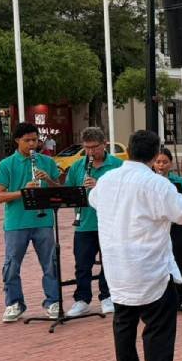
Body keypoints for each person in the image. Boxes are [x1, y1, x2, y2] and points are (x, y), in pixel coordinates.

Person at [90, 130, 182, 361]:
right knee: (158, 326)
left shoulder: (108, 179)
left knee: (124, 323)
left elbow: (93, 200)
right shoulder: (156, 184)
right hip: (148, 266)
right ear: (155, 152)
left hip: (117, 265)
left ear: (129, 150)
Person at [0, 122, 62, 322]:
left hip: (43, 219)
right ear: (17, 141)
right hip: (17, 222)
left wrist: (48, 180)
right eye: (27, 141)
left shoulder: (47, 162)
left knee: (50, 262)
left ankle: (52, 302)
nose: (32, 144)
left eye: (35, 140)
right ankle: (14, 303)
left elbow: (58, 189)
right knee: (12, 264)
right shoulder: (7, 164)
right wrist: (24, 191)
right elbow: (0, 196)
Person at [65, 126, 124, 317]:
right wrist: (80, 191)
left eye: (94, 147)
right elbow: (68, 194)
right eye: (87, 148)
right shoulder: (77, 167)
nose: (90, 152)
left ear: (104, 144)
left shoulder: (117, 165)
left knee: (109, 261)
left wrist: (100, 187)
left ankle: (107, 296)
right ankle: (82, 299)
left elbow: (124, 195)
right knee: (82, 263)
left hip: (109, 224)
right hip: (84, 223)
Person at [151, 147, 182, 312]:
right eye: (158, 162)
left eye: (164, 162)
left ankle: (181, 298)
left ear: (170, 164)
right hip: (156, 228)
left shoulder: (177, 181)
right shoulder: (149, 181)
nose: (161, 165)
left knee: (178, 260)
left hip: (176, 227)